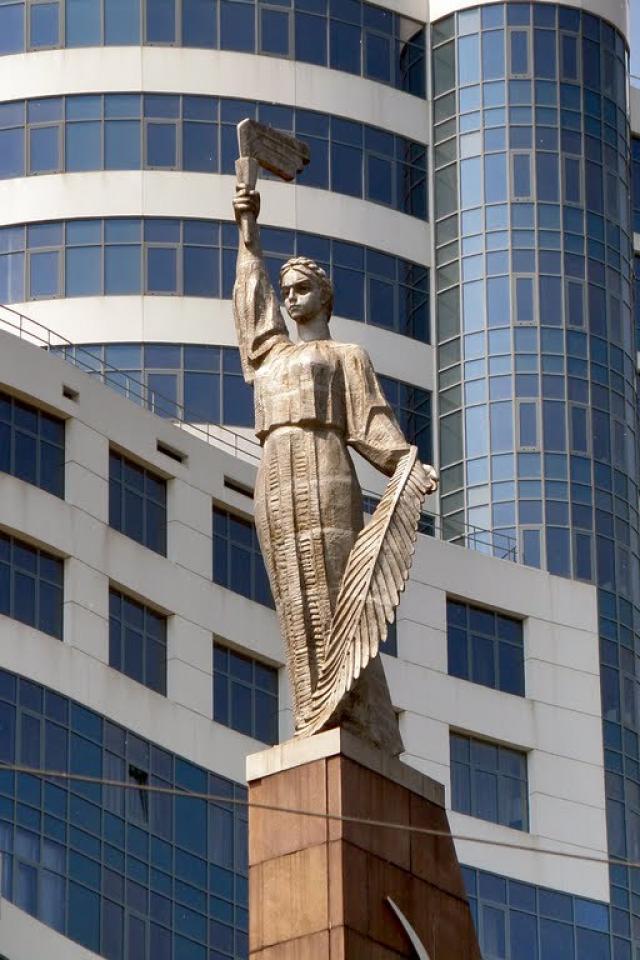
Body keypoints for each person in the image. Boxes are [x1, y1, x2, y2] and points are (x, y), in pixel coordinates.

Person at [232, 180, 437, 753]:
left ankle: (354, 711)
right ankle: (312, 710)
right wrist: (249, 233)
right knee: (293, 592)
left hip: (326, 465)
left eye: (302, 289)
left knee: (336, 587)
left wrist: (405, 463)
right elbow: (252, 309)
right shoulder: (270, 356)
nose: (291, 298)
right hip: (275, 474)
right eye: (287, 291)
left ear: (325, 297)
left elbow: (370, 420)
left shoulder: (346, 356)